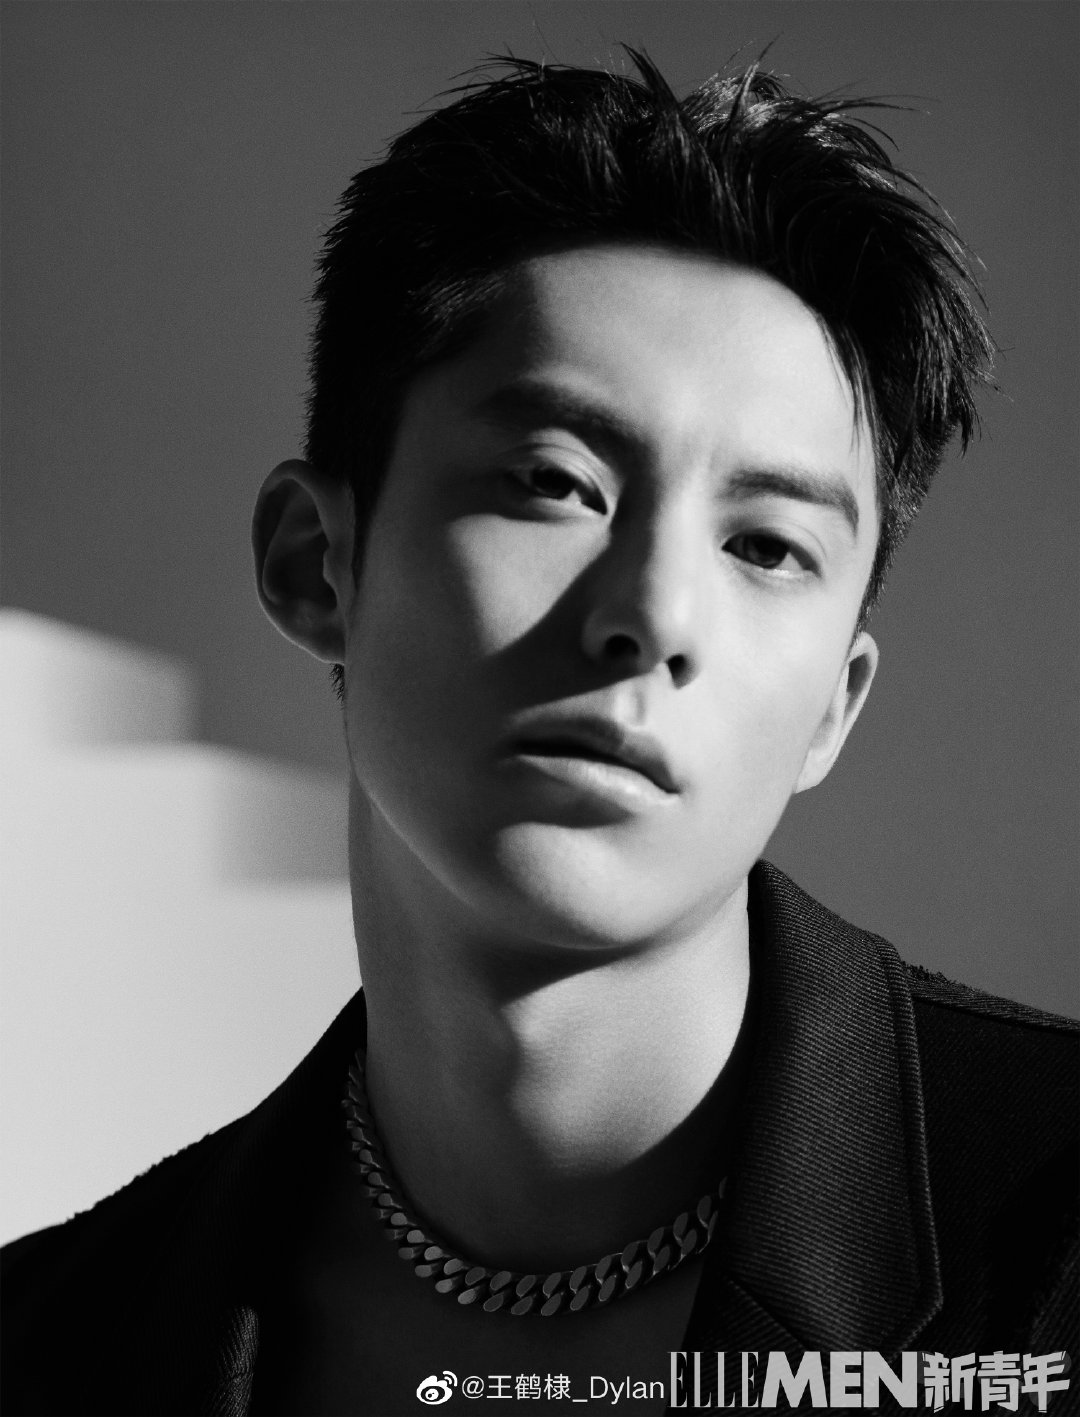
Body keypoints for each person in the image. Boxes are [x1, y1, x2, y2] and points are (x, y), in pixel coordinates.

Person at [3, 52, 1076, 1417]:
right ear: (316, 563)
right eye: (555, 483)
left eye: (765, 544)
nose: (652, 618)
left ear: (834, 706)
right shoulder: (52, 1346)